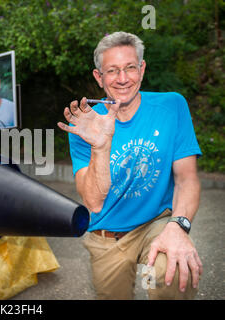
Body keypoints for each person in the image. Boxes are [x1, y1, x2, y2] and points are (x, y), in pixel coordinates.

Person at [57, 31, 203, 300]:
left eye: (130, 68)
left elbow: (187, 179)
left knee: (172, 274)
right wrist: (101, 145)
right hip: (107, 234)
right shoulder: (86, 124)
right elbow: (93, 202)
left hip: (156, 223)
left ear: (142, 69)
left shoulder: (172, 106)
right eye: (112, 71)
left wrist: (178, 226)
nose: (123, 79)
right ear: (99, 77)